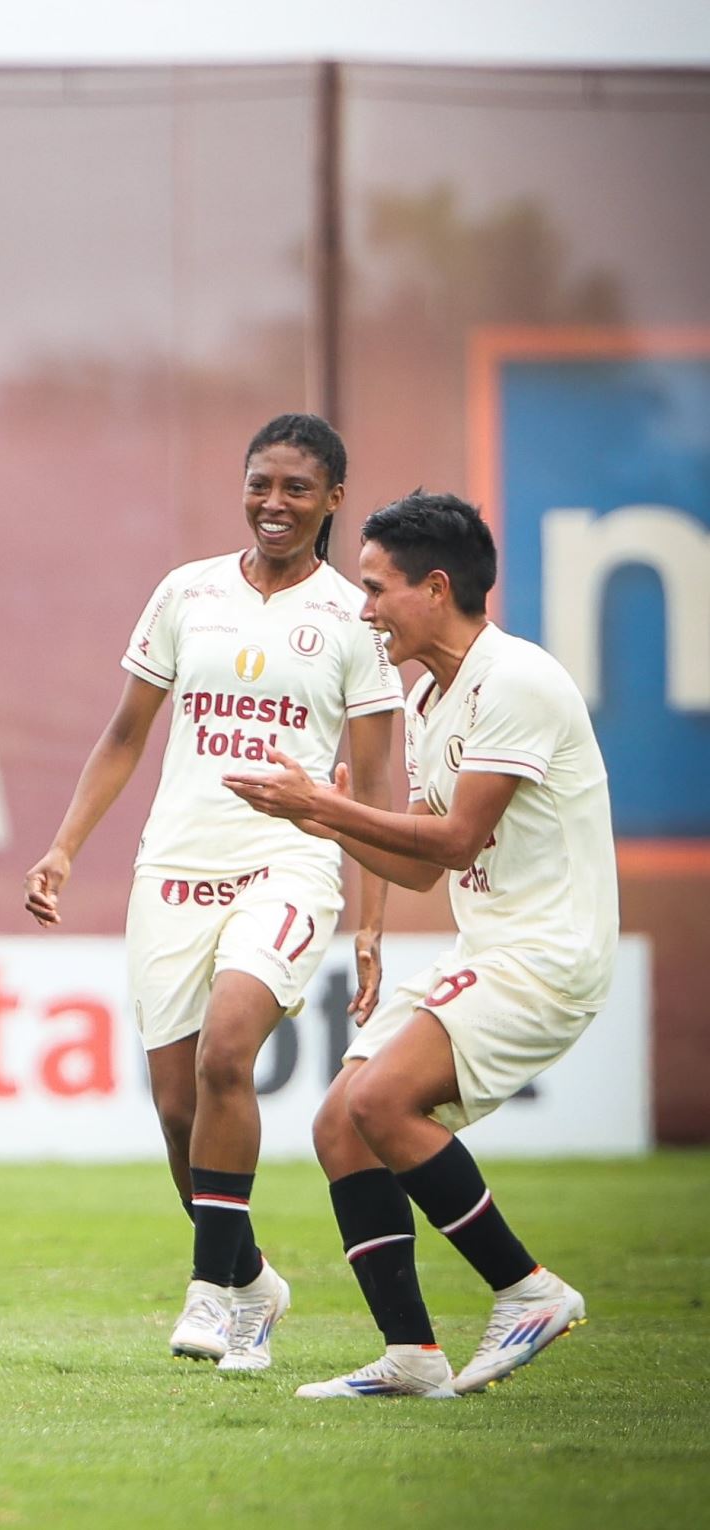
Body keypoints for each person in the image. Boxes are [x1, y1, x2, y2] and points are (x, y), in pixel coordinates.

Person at [23, 413, 402, 1372]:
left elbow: (376, 783)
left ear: (334, 500)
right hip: (174, 867)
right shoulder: (186, 593)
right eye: (260, 484)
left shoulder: (356, 619)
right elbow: (124, 736)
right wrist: (65, 849)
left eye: (297, 489)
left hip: (291, 862)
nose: (275, 504)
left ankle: (204, 1293)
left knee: (228, 1054)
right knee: (177, 1109)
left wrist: (371, 922)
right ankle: (253, 1284)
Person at [225, 491, 612, 1399]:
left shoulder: (516, 680)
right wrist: (321, 818)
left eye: (376, 589)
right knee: (340, 1123)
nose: (363, 611)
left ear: (435, 589)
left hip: (546, 952)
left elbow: (456, 842)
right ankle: (412, 1354)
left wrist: (323, 805)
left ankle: (526, 1289)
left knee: (389, 1102)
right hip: (494, 942)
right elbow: (418, 871)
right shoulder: (434, 694)